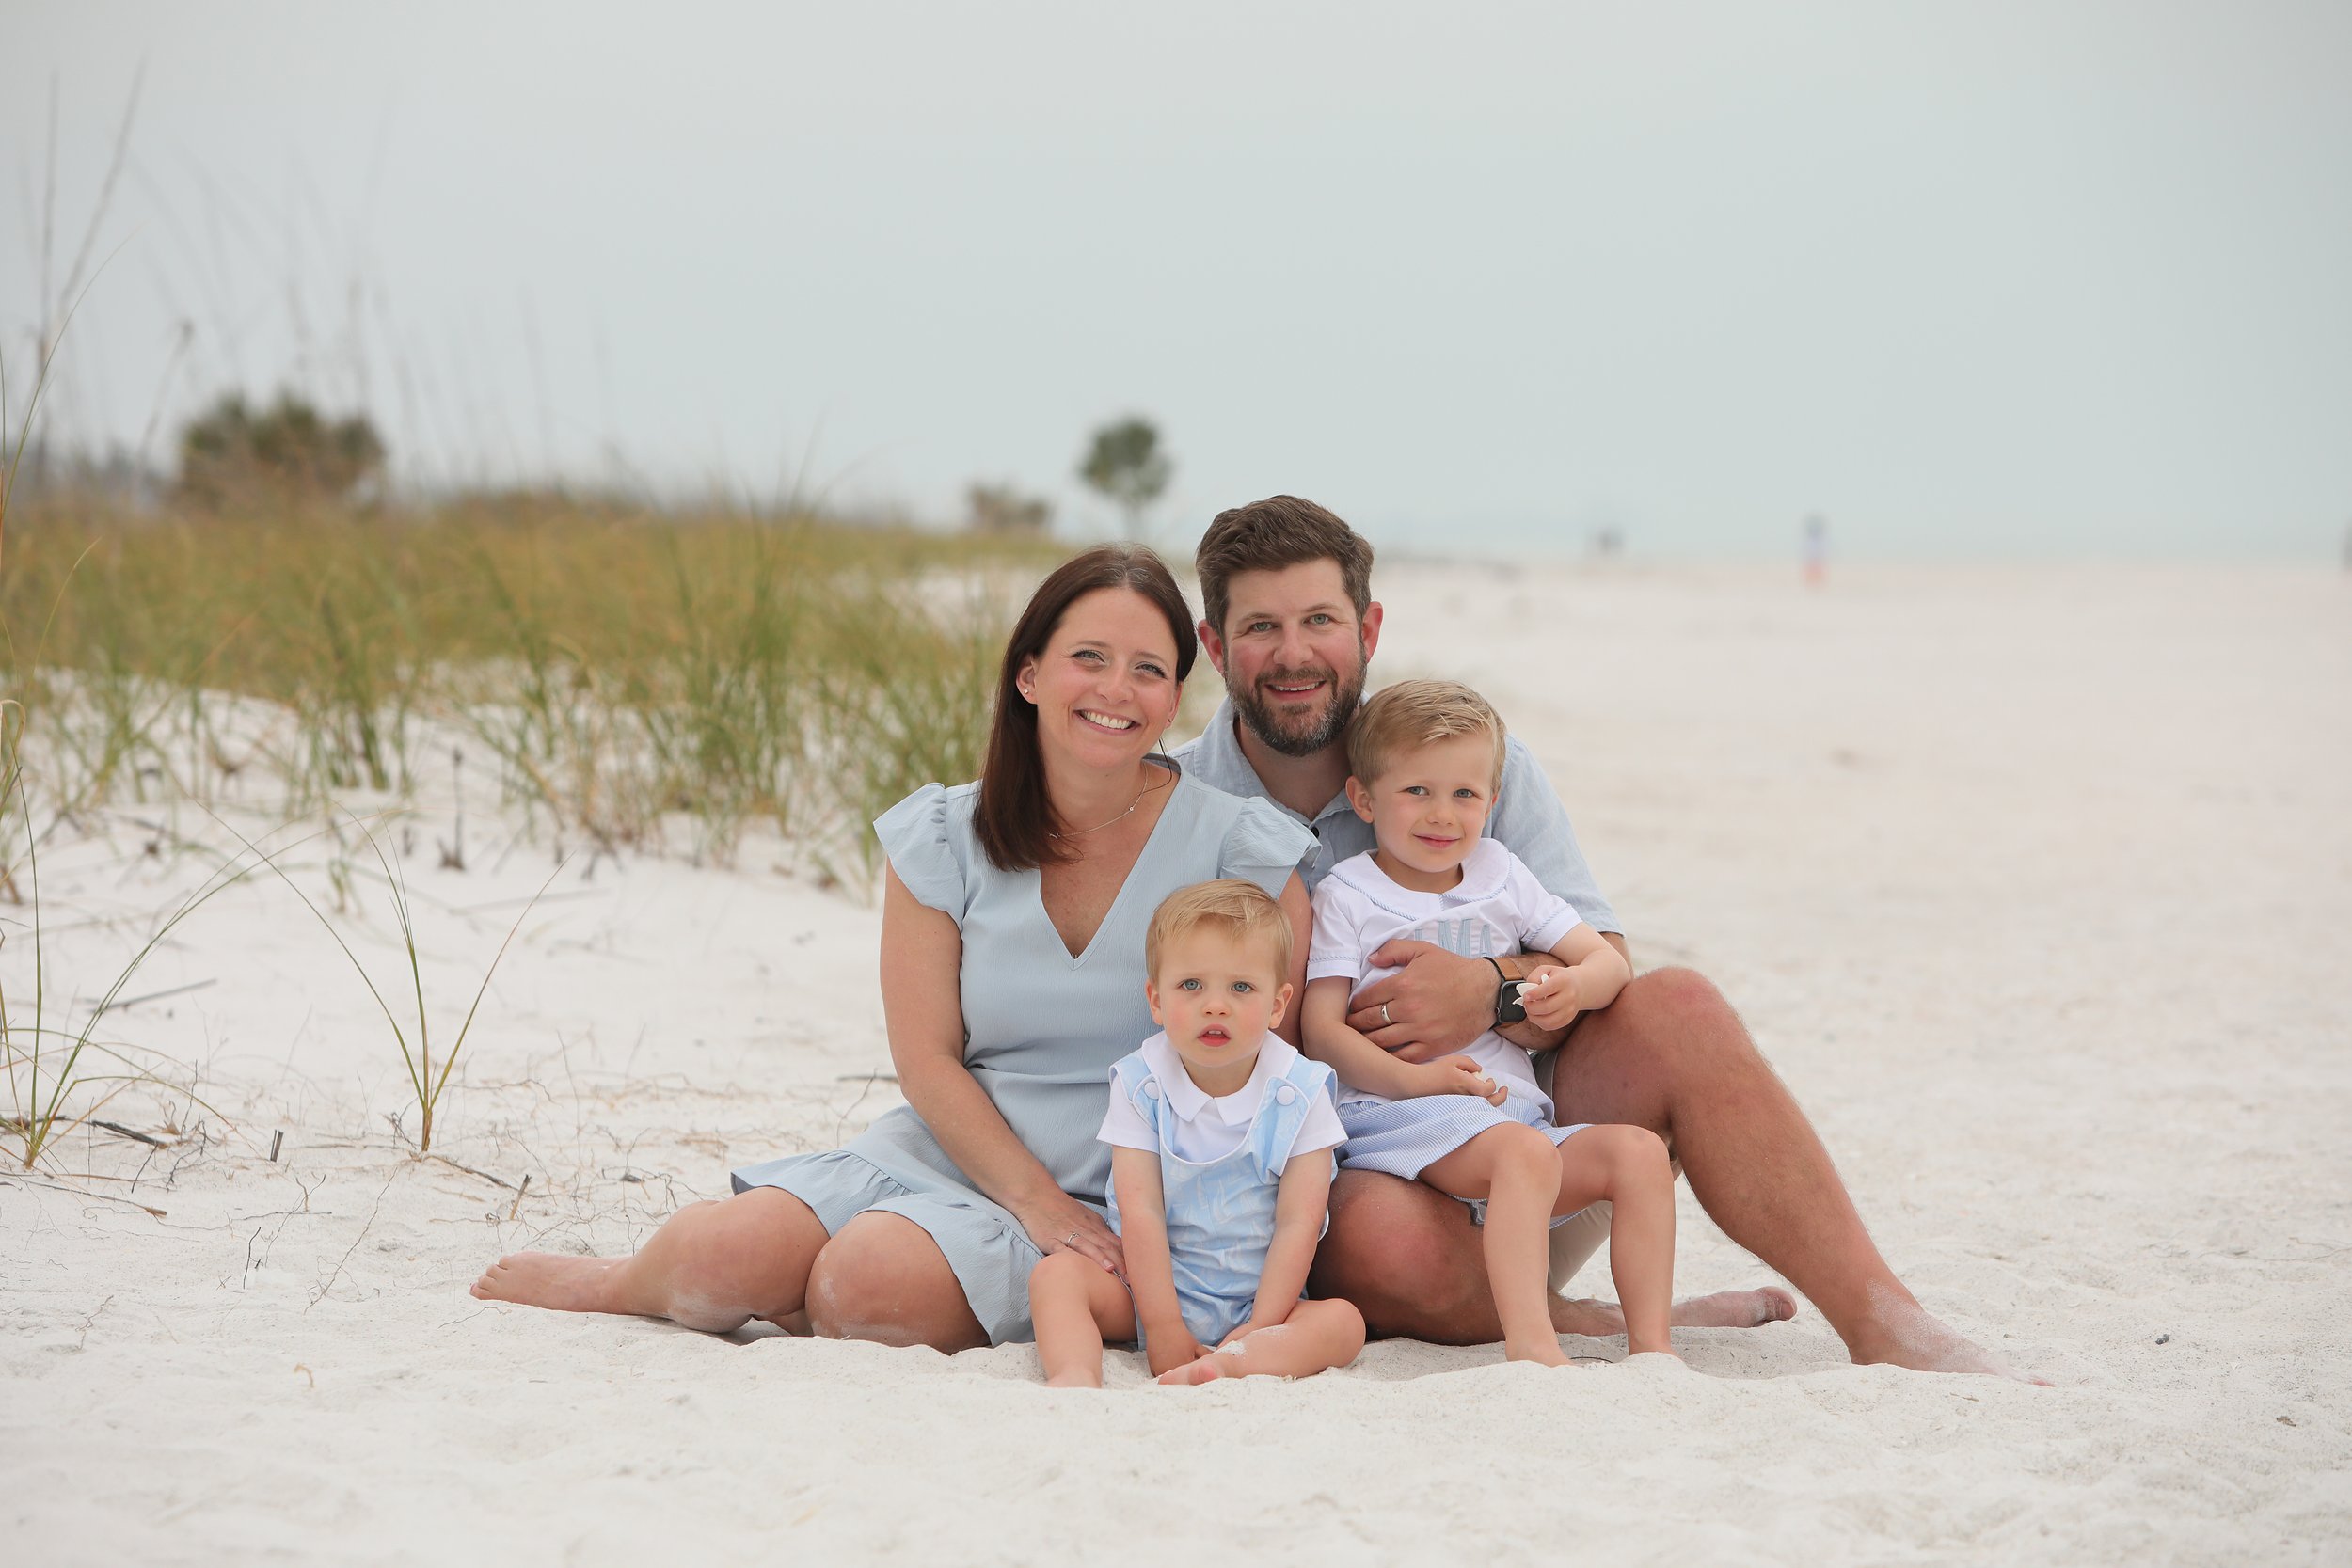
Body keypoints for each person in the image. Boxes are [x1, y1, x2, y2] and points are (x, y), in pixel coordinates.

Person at [1173, 495, 2038, 1380]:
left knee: (1681, 1004)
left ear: (1369, 627)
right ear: (1213, 646)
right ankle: (1582, 1315)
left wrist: (1493, 989)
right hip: (1354, 1186)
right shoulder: (1180, 806)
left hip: (1524, 1128)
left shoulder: (1462, 761)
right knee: (1372, 1230)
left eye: (1320, 620)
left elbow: (1605, 962)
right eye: (1260, 627)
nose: (1293, 654)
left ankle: (1883, 1317)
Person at [471, 545, 1314, 1350]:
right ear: (1028, 674)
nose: (1116, 689)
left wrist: (1112, 1223)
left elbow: (1271, 1068)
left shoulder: (1243, 848)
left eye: (1147, 669)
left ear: (1174, 699)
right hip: (959, 1147)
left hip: (1130, 1187)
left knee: (865, 1284)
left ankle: (818, 1295)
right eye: (1087, 657)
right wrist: (1031, 1199)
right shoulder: (945, 834)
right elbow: (927, 1057)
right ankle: (620, 1283)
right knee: (719, 1258)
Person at [1301, 681, 1674, 1368]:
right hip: (1399, 1115)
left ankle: (1653, 1350)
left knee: (1640, 1154)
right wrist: (1415, 1078)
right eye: (1417, 791)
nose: (1443, 815)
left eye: (1465, 795)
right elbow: (1321, 1029)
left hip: (1511, 1120)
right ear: (1363, 799)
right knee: (1522, 1156)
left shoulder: (1501, 872)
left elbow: (1606, 962)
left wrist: (1569, 986)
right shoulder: (1347, 893)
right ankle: (1534, 1349)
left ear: (1491, 802)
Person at [1030, 879, 1366, 1387]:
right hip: (1148, 1289)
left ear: (1278, 1006)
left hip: (1262, 1297)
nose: (1215, 1005)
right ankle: (1075, 1374)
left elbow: (1299, 1220)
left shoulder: (1301, 1090)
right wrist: (1162, 1323)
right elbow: (1140, 1210)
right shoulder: (1141, 1083)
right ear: (1156, 1000)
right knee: (1054, 1277)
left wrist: (1263, 1324)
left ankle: (1233, 1362)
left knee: (1344, 1323)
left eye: (1240, 987)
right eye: (1191, 985)